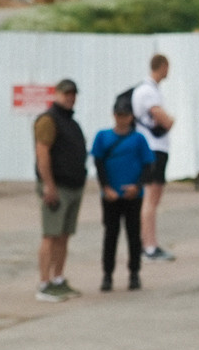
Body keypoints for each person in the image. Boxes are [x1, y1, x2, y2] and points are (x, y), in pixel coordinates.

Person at [91, 100, 155, 292]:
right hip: (111, 195)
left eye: (125, 115)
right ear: (114, 116)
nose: (122, 118)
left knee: (133, 235)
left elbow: (148, 165)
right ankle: (107, 274)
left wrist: (137, 187)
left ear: (130, 117)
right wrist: (106, 187)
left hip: (132, 195)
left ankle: (134, 273)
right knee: (111, 235)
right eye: (118, 115)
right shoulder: (103, 137)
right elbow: (99, 163)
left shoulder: (139, 139)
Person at [32, 79, 86, 301]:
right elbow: (42, 154)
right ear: (56, 94)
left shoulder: (70, 121)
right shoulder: (48, 120)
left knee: (63, 236)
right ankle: (44, 284)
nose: (70, 97)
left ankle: (58, 279)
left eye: (73, 93)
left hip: (73, 186)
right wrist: (49, 186)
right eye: (66, 93)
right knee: (50, 235)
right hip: (57, 187)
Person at [131, 53, 178, 261]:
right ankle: (149, 246)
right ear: (162, 66)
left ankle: (147, 243)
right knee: (151, 198)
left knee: (151, 198)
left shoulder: (148, 89)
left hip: (151, 148)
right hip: (153, 149)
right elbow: (164, 120)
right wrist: (170, 120)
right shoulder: (148, 91)